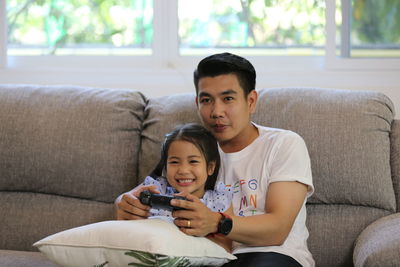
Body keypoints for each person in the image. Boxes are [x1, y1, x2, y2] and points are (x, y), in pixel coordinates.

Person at [115, 52, 314, 267]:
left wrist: (217, 222)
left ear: (251, 101)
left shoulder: (283, 144)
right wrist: (124, 204)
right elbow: (145, 193)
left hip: (270, 253)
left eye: (228, 99)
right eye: (206, 100)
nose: (216, 112)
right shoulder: (188, 150)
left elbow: (277, 230)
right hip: (202, 254)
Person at [116, 122, 233, 252]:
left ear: (210, 167)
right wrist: (127, 203)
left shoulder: (219, 200)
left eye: (193, 161)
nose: (183, 170)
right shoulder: (157, 188)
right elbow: (125, 201)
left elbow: (226, 247)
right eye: (174, 162)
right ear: (165, 167)